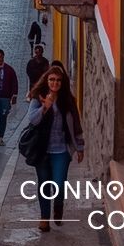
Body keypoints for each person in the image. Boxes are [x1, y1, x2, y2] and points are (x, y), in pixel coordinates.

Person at [27, 66, 85, 232]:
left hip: (61, 150)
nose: (55, 83)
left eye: (58, 80)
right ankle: (44, 218)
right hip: (42, 150)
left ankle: (58, 206)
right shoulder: (38, 98)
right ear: (47, 80)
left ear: (62, 82)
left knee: (59, 185)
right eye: (52, 79)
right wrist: (45, 107)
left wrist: (79, 147)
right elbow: (32, 120)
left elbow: (76, 124)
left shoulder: (68, 100)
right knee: (44, 185)